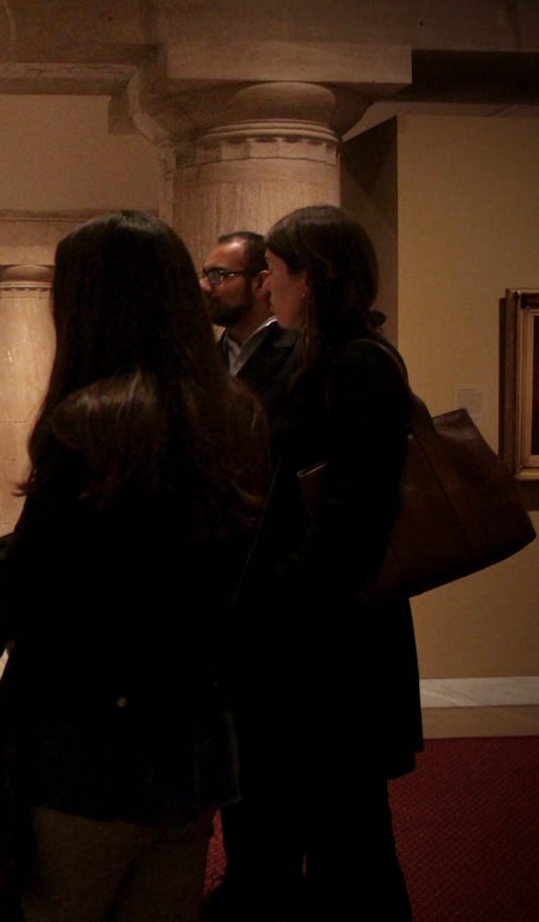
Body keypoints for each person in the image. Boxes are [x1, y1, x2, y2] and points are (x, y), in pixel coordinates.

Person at [0, 211, 269, 921]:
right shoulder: (236, 415)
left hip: (86, 747)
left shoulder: (92, 424)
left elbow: (32, 588)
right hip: (191, 744)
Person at [227, 204, 420, 921]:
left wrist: (275, 592)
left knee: (351, 838)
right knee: (314, 821)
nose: (266, 286)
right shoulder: (325, 354)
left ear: (315, 276)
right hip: (314, 634)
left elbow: (352, 518)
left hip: (335, 642)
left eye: (276, 271)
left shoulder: (357, 362)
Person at [199, 230, 304, 919]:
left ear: (262, 281)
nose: (208, 284)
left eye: (221, 273)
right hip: (221, 579)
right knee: (232, 746)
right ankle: (245, 875)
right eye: (206, 273)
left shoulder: (295, 358)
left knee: (270, 751)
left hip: (272, 580)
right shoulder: (208, 362)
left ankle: (271, 884)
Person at [202, 230, 302, 424]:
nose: (204, 286)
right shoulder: (207, 357)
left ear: (261, 282)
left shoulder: (302, 351)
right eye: (204, 275)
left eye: (217, 275)